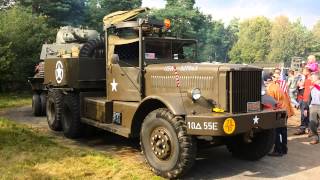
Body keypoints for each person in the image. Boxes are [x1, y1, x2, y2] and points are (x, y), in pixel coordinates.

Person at [265, 73, 294, 156]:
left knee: (277, 131)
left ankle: (278, 150)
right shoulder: (277, 86)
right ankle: (284, 149)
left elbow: (270, 103)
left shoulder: (270, 88)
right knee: (283, 130)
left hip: (279, 111)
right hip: (284, 110)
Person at [294, 67, 312, 135]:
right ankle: (303, 128)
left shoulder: (311, 80)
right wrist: (299, 84)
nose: (302, 72)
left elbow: (317, 87)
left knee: (309, 114)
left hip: (309, 100)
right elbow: (299, 87)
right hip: (303, 99)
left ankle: (309, 129)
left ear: (308, 72)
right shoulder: (304, 79)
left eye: (304, 71)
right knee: (304, 114)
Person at [306, 73, 320, 144]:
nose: (311, 79)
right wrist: (309, 106)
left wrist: (314, 85)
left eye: (312, 77)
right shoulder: (312, 87)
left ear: (317, 78)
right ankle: (316, 138)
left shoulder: (315, 86)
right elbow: (309, 97)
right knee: (312, 123)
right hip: (313, 106)